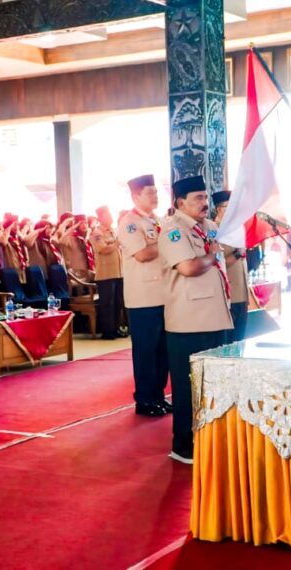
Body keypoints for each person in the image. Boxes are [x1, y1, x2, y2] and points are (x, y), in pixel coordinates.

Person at [158, 175, 233, 464]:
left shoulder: (210, 228)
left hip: (216, 315)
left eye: (205, 197)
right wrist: (213, 257)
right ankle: (184, 446)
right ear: (180, 203)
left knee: (215, 385)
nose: (205, 203)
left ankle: (210, 438)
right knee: (187, 386)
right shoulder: (172, 231)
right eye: (198, 199)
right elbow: (189, 267)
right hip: (188, 321)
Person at [118, 175, 171, 418]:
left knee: (163, 350)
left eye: (155, 192)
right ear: (135, 196)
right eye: (149, 193)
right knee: (146, 350)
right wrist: (169, 242)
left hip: (165, 293)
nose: (155, 196)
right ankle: (145, 400)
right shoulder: (129, 222)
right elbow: (142, 254)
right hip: (143, 296)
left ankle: (158, 396)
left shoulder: (159, 221)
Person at [213, 190, 249, 341]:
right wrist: (237, 253)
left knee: (240, 339)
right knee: (229, 341)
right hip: (228, 295)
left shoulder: (237, 230)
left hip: (242, 294)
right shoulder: (215, 231)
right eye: (228, 207)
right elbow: (216, 263)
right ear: (219, 209)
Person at [90, 206, 124, 340]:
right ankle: (107, 331)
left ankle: (115, 328)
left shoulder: (113, 231)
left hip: (118, 272)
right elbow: (102, 248)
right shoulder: (97, 232)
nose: (111, 218)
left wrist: (116, 242)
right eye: (107, 215)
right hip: (106, 274)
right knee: (107, 304)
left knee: (117, 302)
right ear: (100, 218)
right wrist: (117, 243)